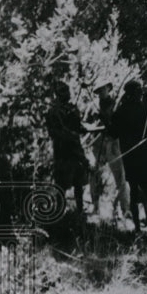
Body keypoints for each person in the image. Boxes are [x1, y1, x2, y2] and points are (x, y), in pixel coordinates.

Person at [108, 79, 147, 231]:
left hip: (137, 155)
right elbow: (114, 132)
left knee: (139, 189)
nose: (140, 93)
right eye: (138, 91)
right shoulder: (140, 109)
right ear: (132, 93)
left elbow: (113, 132)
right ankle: (146, 223)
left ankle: (146, 223)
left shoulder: (126, 110)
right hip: (139, 155)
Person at [85, 80, 131, 220]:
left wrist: (107, 122)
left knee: (120, 177)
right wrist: (95, 124)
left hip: (113, 143)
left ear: (108, 89)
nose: (101, 93)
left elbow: (119, 124)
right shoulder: (92, 107)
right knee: (94, 175)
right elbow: (86, 124)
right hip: (97, 143)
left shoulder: (116, 105)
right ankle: (95, 206)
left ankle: (125, 209)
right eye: (98, 90)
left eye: (103, 89)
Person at [44, 81, 89, 214]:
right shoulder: (52, 112)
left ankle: (80, 213)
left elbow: (78, 125)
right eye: (64, 91)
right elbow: (54, 132)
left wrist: (82, 129)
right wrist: (71, 134)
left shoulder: (73, 108)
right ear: (58, 94)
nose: (68, 94)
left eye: (68, 91)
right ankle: (59, 213)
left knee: (79, 183)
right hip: (63, 151)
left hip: (76, 150)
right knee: (61, 185)